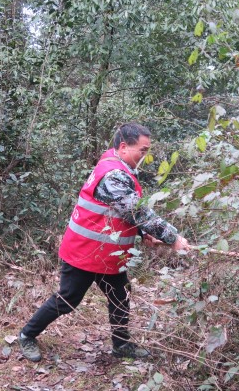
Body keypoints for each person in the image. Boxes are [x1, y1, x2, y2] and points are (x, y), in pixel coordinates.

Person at [18, 123, 190, 362]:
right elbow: (137, 212)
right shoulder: (113, 175)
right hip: (85, 252)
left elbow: (121, 212)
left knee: (120, 294)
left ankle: (121, 345)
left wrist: (143, 234)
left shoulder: (119, 167)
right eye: (142, 149)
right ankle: (27, 335)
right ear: (123, 147)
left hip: (108, 254)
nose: (145, 155)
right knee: (68, 299)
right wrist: (173, 238)